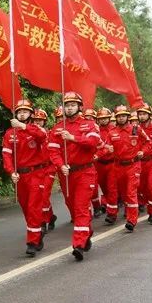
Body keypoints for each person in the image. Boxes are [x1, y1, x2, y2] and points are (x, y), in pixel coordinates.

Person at [47, 92, 101, 261]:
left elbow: (93, 143)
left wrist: (73, 138)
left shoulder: (89, 124)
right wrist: (60, 165)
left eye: (72, 105)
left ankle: (78, 244)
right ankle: (86, 231)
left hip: (85, 171)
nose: (69, 108)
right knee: (72, 205)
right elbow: (53, 151)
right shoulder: (57, 128)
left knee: (80, 206)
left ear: (79, 107)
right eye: (67, 105)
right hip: (66, 173)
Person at [2, 99, 49, 257]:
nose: (21, 114)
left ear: (30, 113)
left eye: (25, 111)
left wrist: (23, 126)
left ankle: (32, 242)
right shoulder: (9, 134)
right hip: (20, 175)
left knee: (33, 207)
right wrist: (11, 171)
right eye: (19, 112)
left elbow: (42, 136)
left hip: (36, 174)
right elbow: (7, 155)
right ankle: (37, 231)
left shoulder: (35, 129)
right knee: (25, 208)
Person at [106, 104, 149, 230]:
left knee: (131, 192)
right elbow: (107, 146)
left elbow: (147, 141)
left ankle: (132, 220)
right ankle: (127, 211)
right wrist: (108, 148)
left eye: (123, 116)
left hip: (133, 165)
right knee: (123, 193)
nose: (121, 118)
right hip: (118, 166)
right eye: (119, 116)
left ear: (128, 117)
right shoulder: (112, 132)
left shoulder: (136, 129)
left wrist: (143, 151)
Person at [32, 108, 57, 232]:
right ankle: (50, 216)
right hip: (37, 169)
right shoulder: (31, 135)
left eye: (40, 120)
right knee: (40, 196)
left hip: (50, 167)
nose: (37, 122)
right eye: (35, 120)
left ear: (45, 121)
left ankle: (43, 221)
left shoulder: (50, 133)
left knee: (44, 194)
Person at [95, 107, 119, 222]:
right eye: (101, 118)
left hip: (112, 164)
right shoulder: (95, 132)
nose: (103, 120)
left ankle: (112, 213)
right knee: (104, 188)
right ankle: (111, 205)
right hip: (99, 164)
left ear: (109, 118)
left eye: (105, 118)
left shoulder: (115, 130)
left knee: (112, 188)